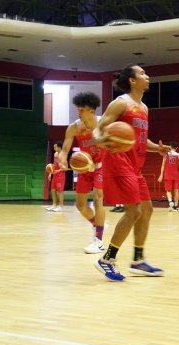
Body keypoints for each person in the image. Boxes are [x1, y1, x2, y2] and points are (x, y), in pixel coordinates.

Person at [93, 64, 171, 282]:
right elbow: (99, 129)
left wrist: (158, 148)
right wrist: (102, 141)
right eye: (143, 74)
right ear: (132, 81)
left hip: (135, 165)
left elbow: (138, 139)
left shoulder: (143, 108)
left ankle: (137, 260)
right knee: (134, 210)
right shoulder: (121, 103)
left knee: (147, 210)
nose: (148, 76)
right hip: (118, 162)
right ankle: (106, 259)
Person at [58, 92, 107, 254]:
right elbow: (65, 148)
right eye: (77, 108)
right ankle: (97, 224)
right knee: (80, 205)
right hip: (84, 168)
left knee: (98, 198)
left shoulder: (103, 124)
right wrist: (63, 158)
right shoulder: (74, 127)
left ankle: (98, 240)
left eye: (82, 109)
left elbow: (111, 145)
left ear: (91, 110)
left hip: (101, 165)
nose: (78, 111)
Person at [157, 141, 179, 212]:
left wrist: (161, 175)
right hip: (176, 175)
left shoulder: (166, 154)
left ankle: (170, 202)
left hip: (167, 175)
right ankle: (176, 206)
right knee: (176, 190)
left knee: (168, 190)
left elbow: (162, 165)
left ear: (170, 146)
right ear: (177, 148)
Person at [46, 141, 66, 212]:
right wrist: (50, 173)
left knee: (60, 191)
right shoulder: (55, 154)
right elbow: (54, 165)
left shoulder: (63, 155)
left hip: (61, 175)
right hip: (54, 174)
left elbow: (65, 168)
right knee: (53, 190)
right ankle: (54, 204)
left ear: (59, 147)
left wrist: (59, 170)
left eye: (55, 147)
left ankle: (61, 205)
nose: (54, 148)